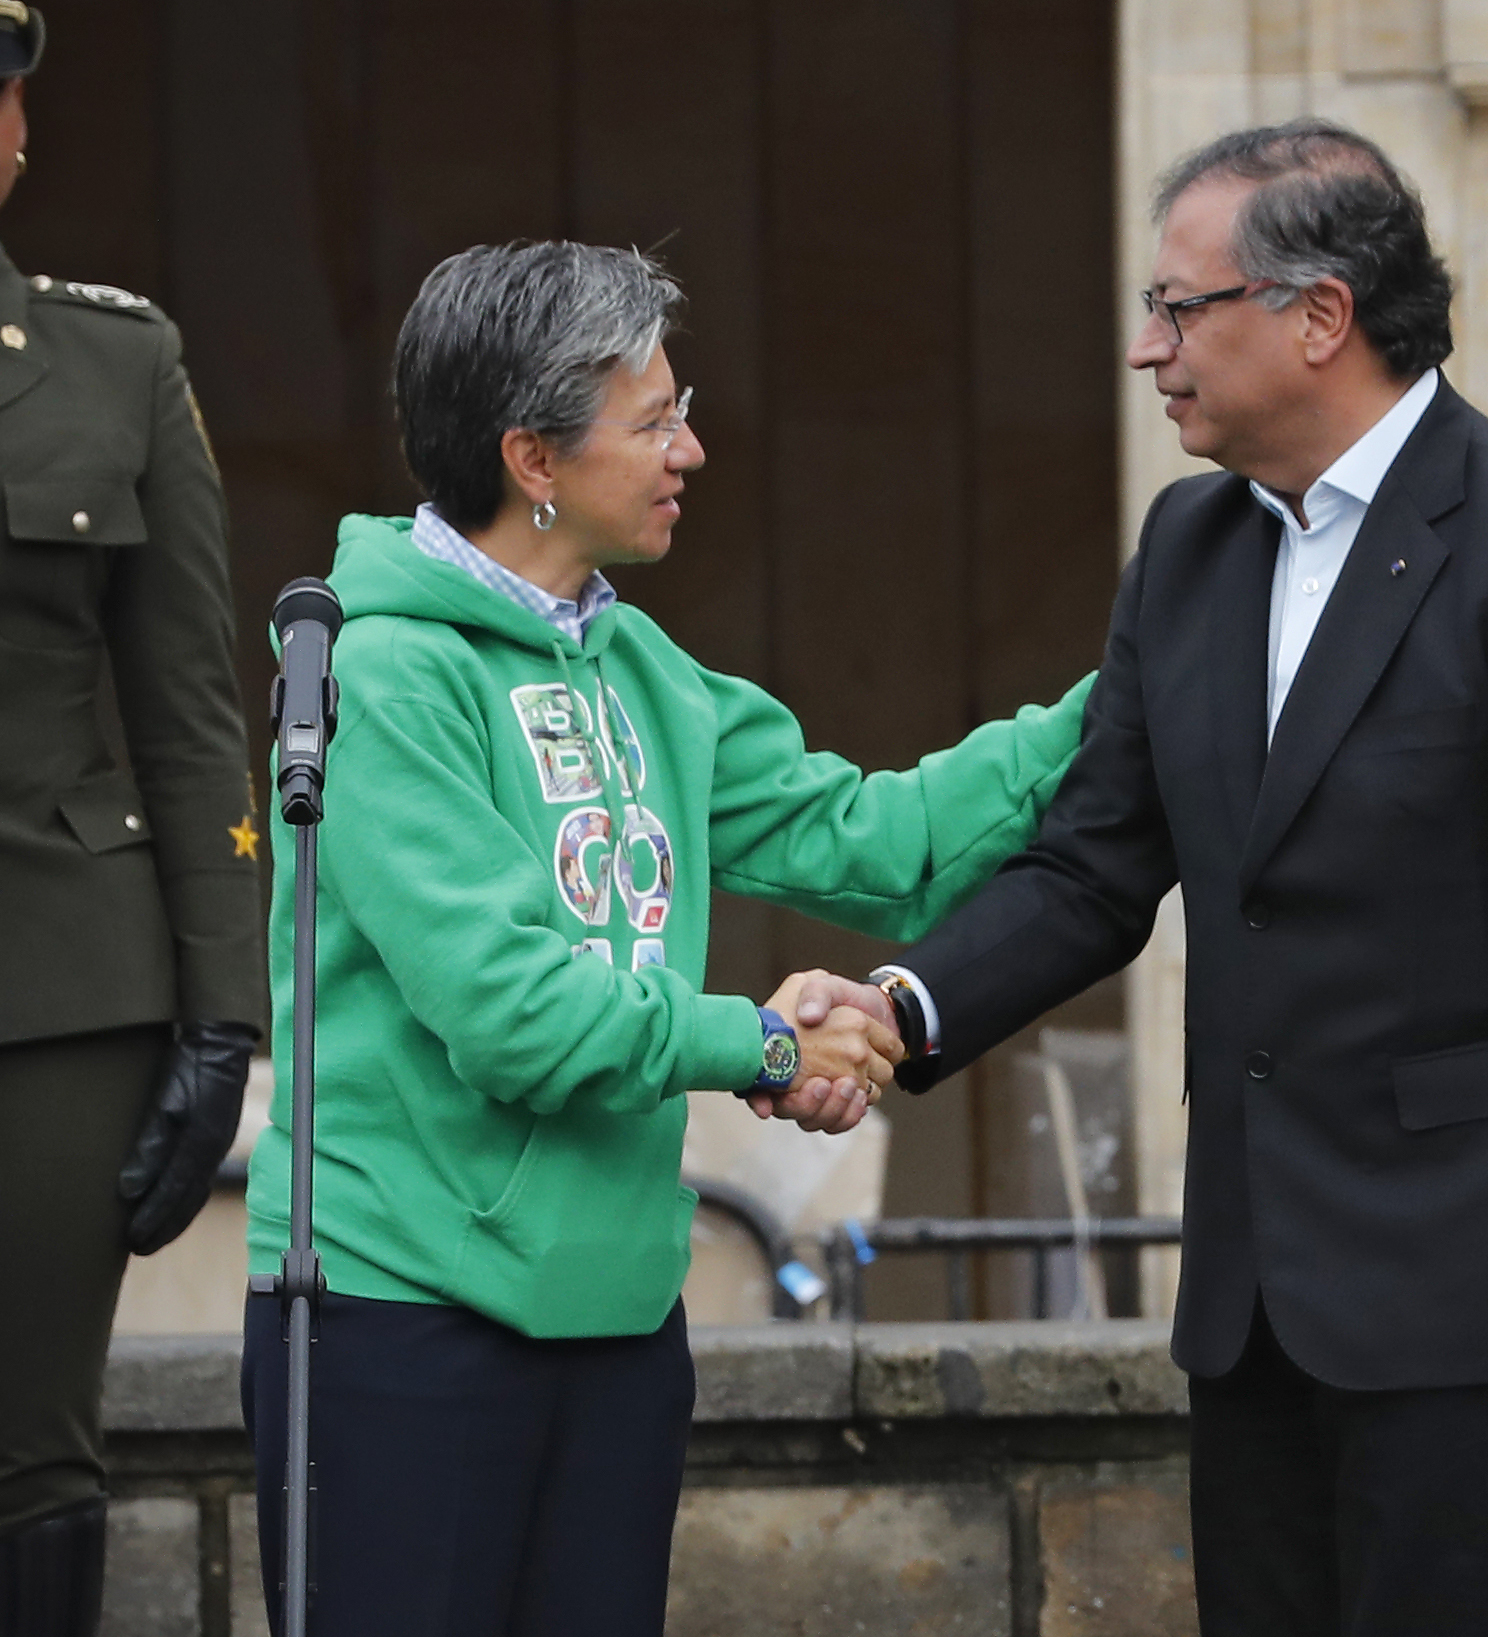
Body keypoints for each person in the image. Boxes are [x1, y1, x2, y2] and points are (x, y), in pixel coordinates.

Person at [854, 121, 1488, 1635]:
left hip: (1467, 1297)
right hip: (1252, 1304)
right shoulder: (1186, 549)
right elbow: (1093, 867)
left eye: (1181, 309)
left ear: (1319, 317)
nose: (1145, 349)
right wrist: (899, 1011)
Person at [237, 240, 1090, 1636]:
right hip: (398, 1319)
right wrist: (759, 1042)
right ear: (534, 456)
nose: (691, 448)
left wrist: (1133, 693)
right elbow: (513, 1011)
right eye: (655, 419)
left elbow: (887, 846)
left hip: (621, 1323)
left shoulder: (646, 669)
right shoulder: (380, 673)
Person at [0, 0, 268, 1631]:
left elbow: (188, 717)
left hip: (55, 990)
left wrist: (218, 1018)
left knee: (30, 1453)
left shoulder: (111, 364)